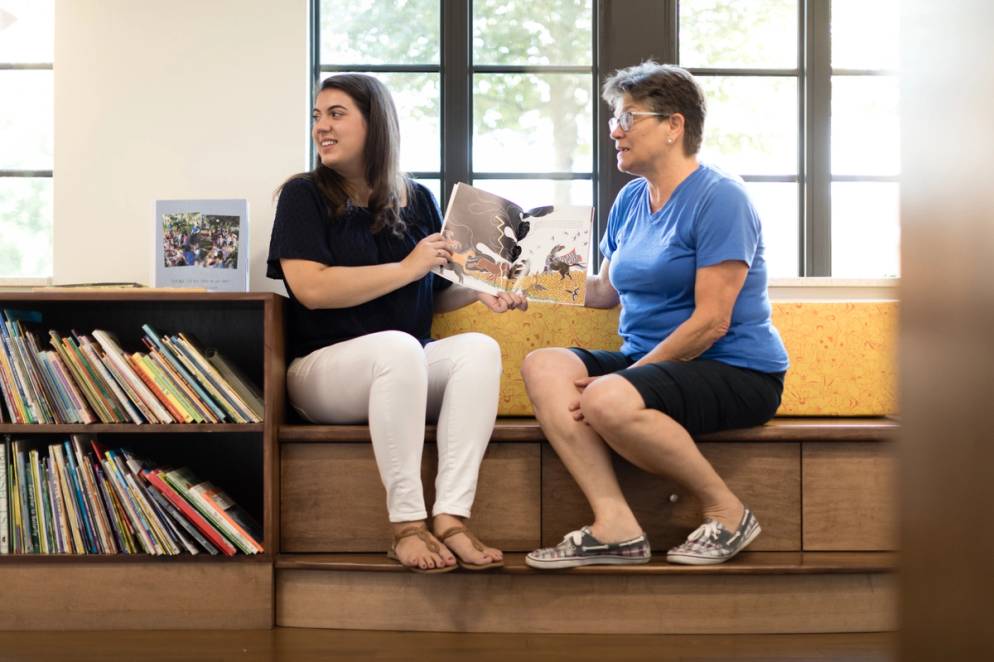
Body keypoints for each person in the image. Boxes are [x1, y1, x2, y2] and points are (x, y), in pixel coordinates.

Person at [521, 61, 789, 568]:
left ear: (674, 125)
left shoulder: (721, 198)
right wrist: (520, 278)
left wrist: (628, 378)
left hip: (736, 368)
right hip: (650, 363)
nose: (615, 131)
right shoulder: (629, 200)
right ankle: (616, 526)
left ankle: (728, 511)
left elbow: (713, 321)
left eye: (627, 118)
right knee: (544, 365)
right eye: (613, 121)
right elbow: (604, 291)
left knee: (607, 398)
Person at [267, 74, 527, 573]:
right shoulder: (303, 195)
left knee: (478, 349)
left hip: (401, 366)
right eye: (318, 116)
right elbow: (311, 290)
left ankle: (450, 518)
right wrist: (409, 267)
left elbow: (429, 289)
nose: (322, 126)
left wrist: (480, 291)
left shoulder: (420, 199)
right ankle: (407, 525)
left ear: (375, 123)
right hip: (322, 372)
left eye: (336, 114)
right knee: (397, 347)